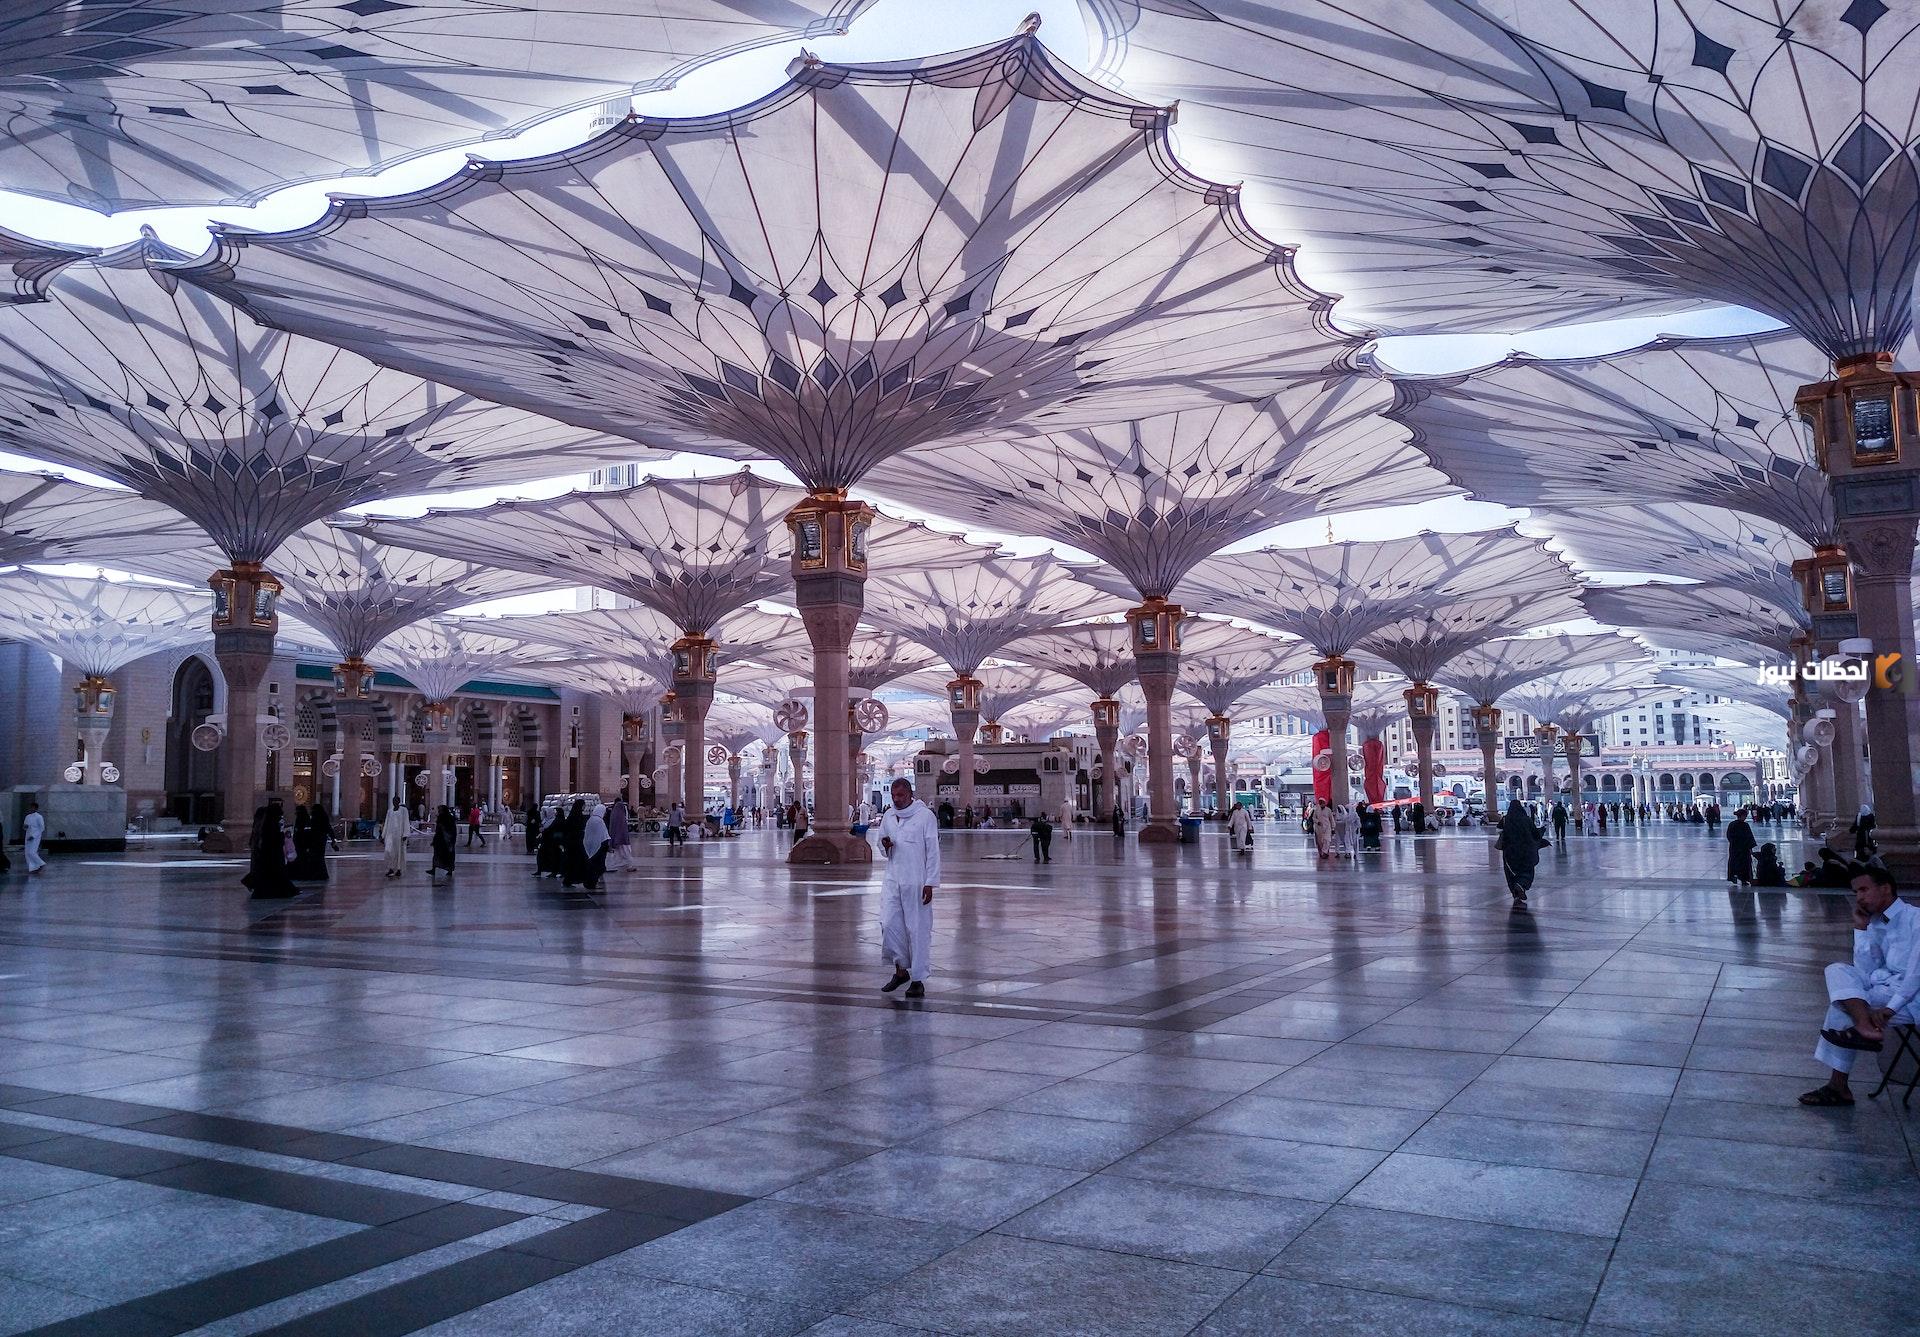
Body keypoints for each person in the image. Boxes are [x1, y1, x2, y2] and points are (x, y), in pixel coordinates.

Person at [1799, 865, 1918, 1107]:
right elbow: (1865, 970)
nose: (1859, 898)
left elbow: (1916, 976)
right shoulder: (1875, 922)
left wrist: (1891, 1008)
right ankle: (1864, 1027)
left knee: (1841, 1007)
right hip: (1883, 988)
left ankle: (1838, 1086)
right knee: (1836, 970)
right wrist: (1861, 928)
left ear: (1885, 889)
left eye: (1864, 890)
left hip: (1911, 998)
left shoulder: (1916, 919)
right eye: (1856, 893)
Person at [877, 778, 940, 997]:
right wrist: (885, 845)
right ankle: (900, 970)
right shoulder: (888, 816)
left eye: (901, 795)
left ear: (910, 795)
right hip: (893, 879)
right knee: (889, 924)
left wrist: (930, 882)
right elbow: (881, 843)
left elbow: (933, 850)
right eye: (894, 796)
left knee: (917, 928)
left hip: (917, 881)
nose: (896, 799)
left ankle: (918, 979)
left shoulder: (925, 816)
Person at [242, 800, 296, 899]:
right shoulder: (272, 824)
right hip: (273, 854)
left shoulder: (265, 824)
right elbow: (275, 839)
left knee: (264, 871)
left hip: (267, 853)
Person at [1498, 798, 1544, 907]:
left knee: (1510, 872)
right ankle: (1521, 884)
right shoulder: (1526, 819)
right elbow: (1535, 833)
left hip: (1509, 851)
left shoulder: (1505, 819)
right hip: (1525, 850)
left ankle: (1516, 894)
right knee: (1527, 869)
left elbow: (1498, 830)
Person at [581, 803, 611, 890]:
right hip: (599, 846)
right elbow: (604, 835)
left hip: (589, 845)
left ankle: (589, 883)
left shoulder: (590, 819)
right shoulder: (599, 821)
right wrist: (608, 846)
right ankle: (592, 883)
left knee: (591, 865)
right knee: (598, 866)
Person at [1725, 808, 1756, 886]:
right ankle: (1743, 879)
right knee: (1744, 864)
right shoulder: (1745, 825)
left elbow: (1729, 836)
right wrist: (1750, 847)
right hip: (1743, 848)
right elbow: (1749, 837)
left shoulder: (1732, 824)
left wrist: (1733, 842)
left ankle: (1734, 876)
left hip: (1735, 848)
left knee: (1735, 862)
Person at [380, 797, 409, 878]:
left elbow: (406, 821)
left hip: (399, 834)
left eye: (396, 801)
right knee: (388, 851)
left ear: (399, 801)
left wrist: (405, 834)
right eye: (393, 801)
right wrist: (383, 835)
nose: (394, 802)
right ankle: (391, 868)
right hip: (390, 834)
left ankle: (398, 869)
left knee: (398, 853)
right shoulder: (390, 811)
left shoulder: (403, 810)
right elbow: (386, 822)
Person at [536, 809, 567, 878]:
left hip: (556, 841)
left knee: (556, 856)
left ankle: (555, 871)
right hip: (558, 841)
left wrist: (544, 831)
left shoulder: (557, 820)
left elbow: (551, 828)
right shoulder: (561, 820)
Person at [430, 805, 457, 879]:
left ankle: (449, 870)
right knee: (436, 855)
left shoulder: (448, 818)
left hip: (446, 841)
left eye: (440, 810)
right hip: (440, 840)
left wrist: (450, 840)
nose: (439, 811)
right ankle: (434, 869)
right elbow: (438, 831)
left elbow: (452, 830)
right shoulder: (441, 818)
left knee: (448, 856)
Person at [21, 802, 45, 874]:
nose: (31, 809)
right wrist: (25, 827)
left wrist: (34, 836)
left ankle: (41, 864)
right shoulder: (27, 817)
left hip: (35, 837)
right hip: (28, 836)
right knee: (27, 853)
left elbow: (42, 828)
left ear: (36, 808)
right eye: (30, 807)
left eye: (33, 807)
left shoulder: (39, 817)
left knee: (32, 852)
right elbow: (25, 827)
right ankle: (33, 868)